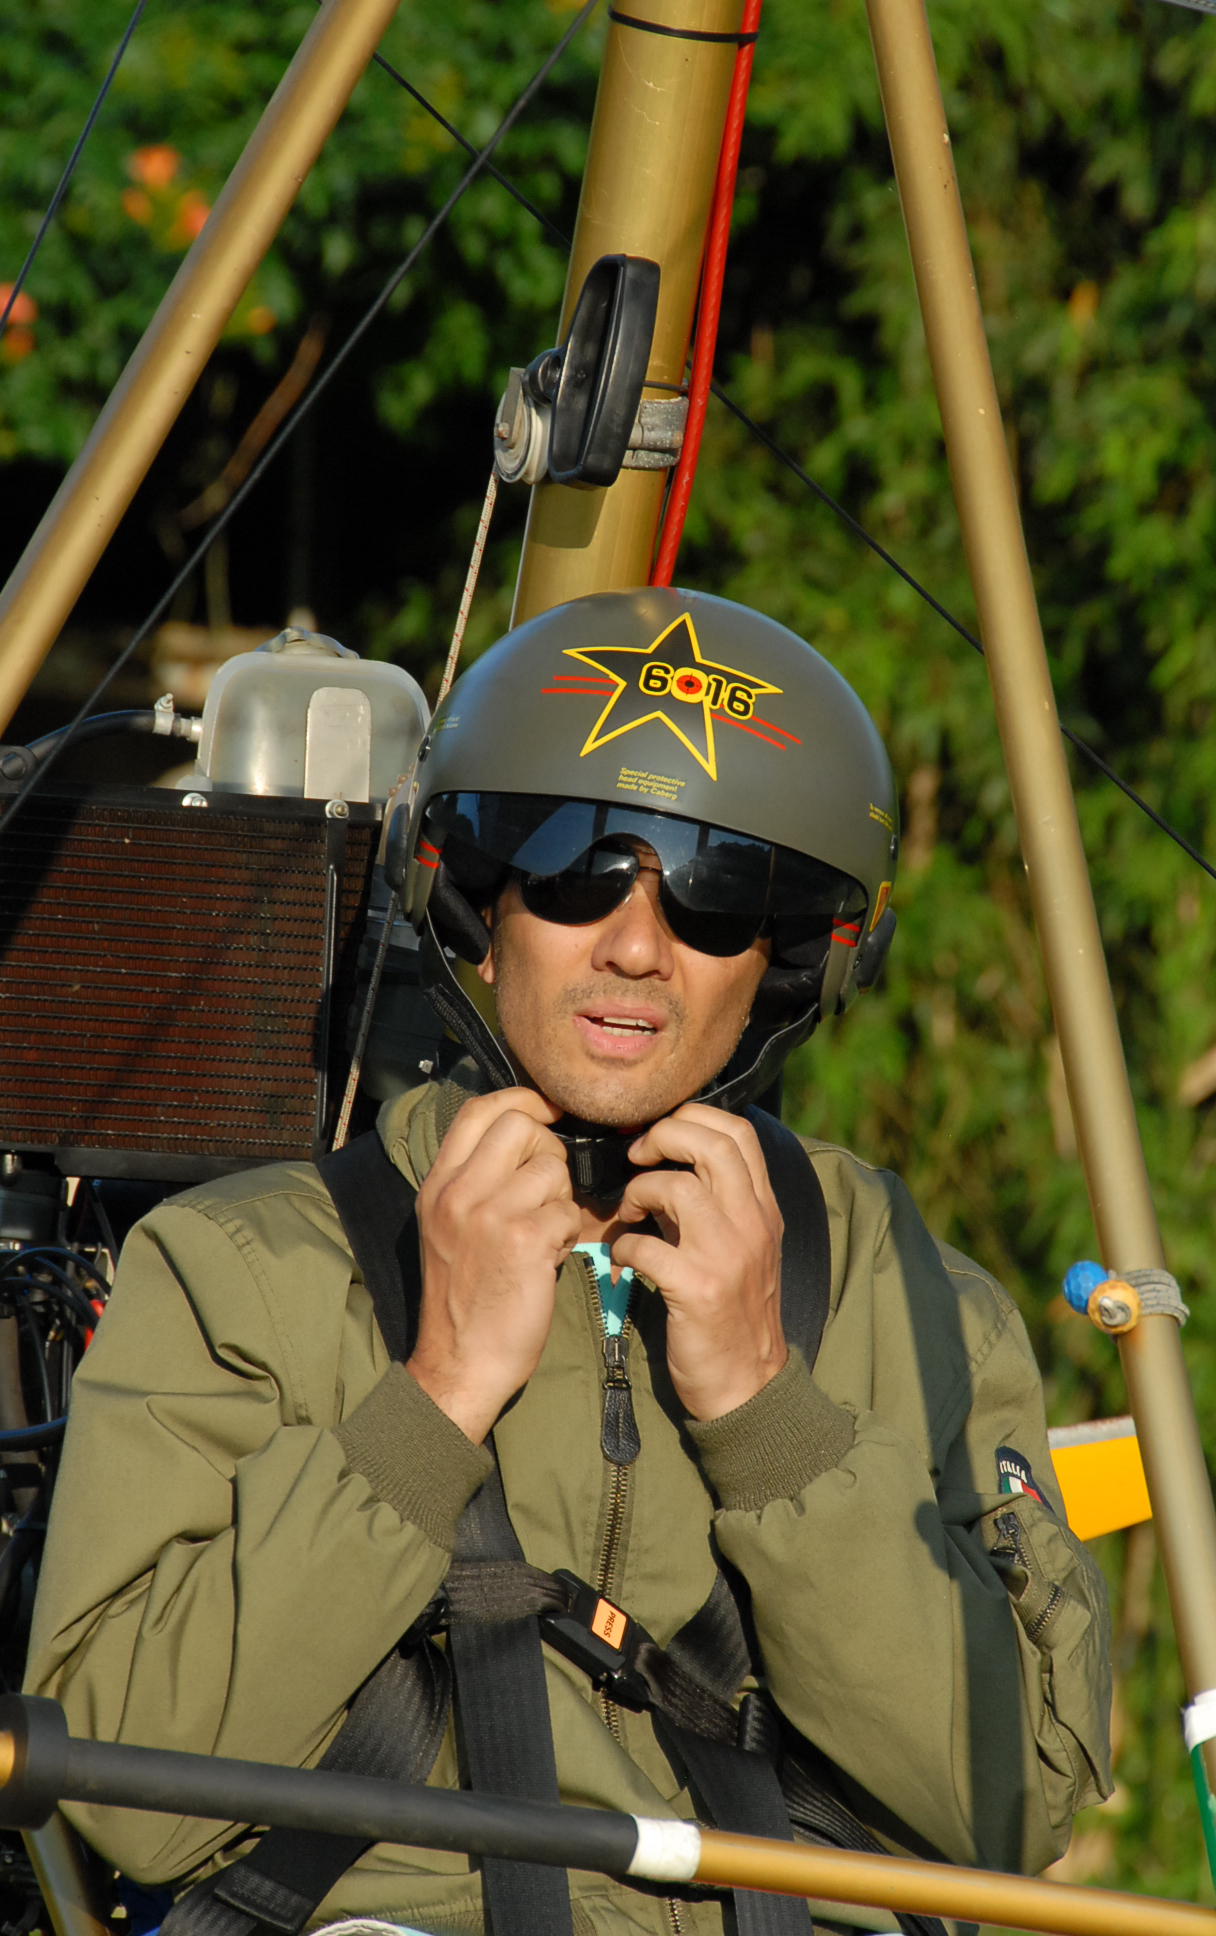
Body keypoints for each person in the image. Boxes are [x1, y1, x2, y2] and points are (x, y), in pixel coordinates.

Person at [26, 588, 1112, 1936]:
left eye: (715, 894)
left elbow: (1021, 1806)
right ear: (479, 900)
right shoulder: (243, 1271)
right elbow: (125, 1789)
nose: (639, 945)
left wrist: (771, 1415)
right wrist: (428, 1403)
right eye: (574, 867)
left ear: (784, 959)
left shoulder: (907, 1296)